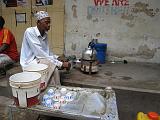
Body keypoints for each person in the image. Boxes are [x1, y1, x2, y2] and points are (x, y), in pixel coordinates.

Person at [20, 11, 70, 89]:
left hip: (40, 59)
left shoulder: (45, 34)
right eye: (46, 23)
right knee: (54, 68)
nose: (49, 25)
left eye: (49, 23)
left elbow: (47, 52)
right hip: (30, 62)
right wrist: (61, 64)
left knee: (54, 66)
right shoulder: (30, 31)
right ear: (38, 23)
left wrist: (57, 58)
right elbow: (40, 54)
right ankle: (55, 89)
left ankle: (54, 89)